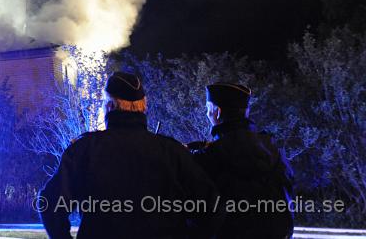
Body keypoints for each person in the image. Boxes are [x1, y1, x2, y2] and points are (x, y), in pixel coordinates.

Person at [38, 72, 221, 239]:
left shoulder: (85, 149)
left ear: (109, 106)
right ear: (144, 106)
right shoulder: (172, 152)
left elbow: (49, 203)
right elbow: (211, 205)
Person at [189, 82, 294, 239]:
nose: (207, 114)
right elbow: (288, 187)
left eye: (207, 109)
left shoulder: (213, 154)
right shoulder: (273, 148)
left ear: (216, 111)